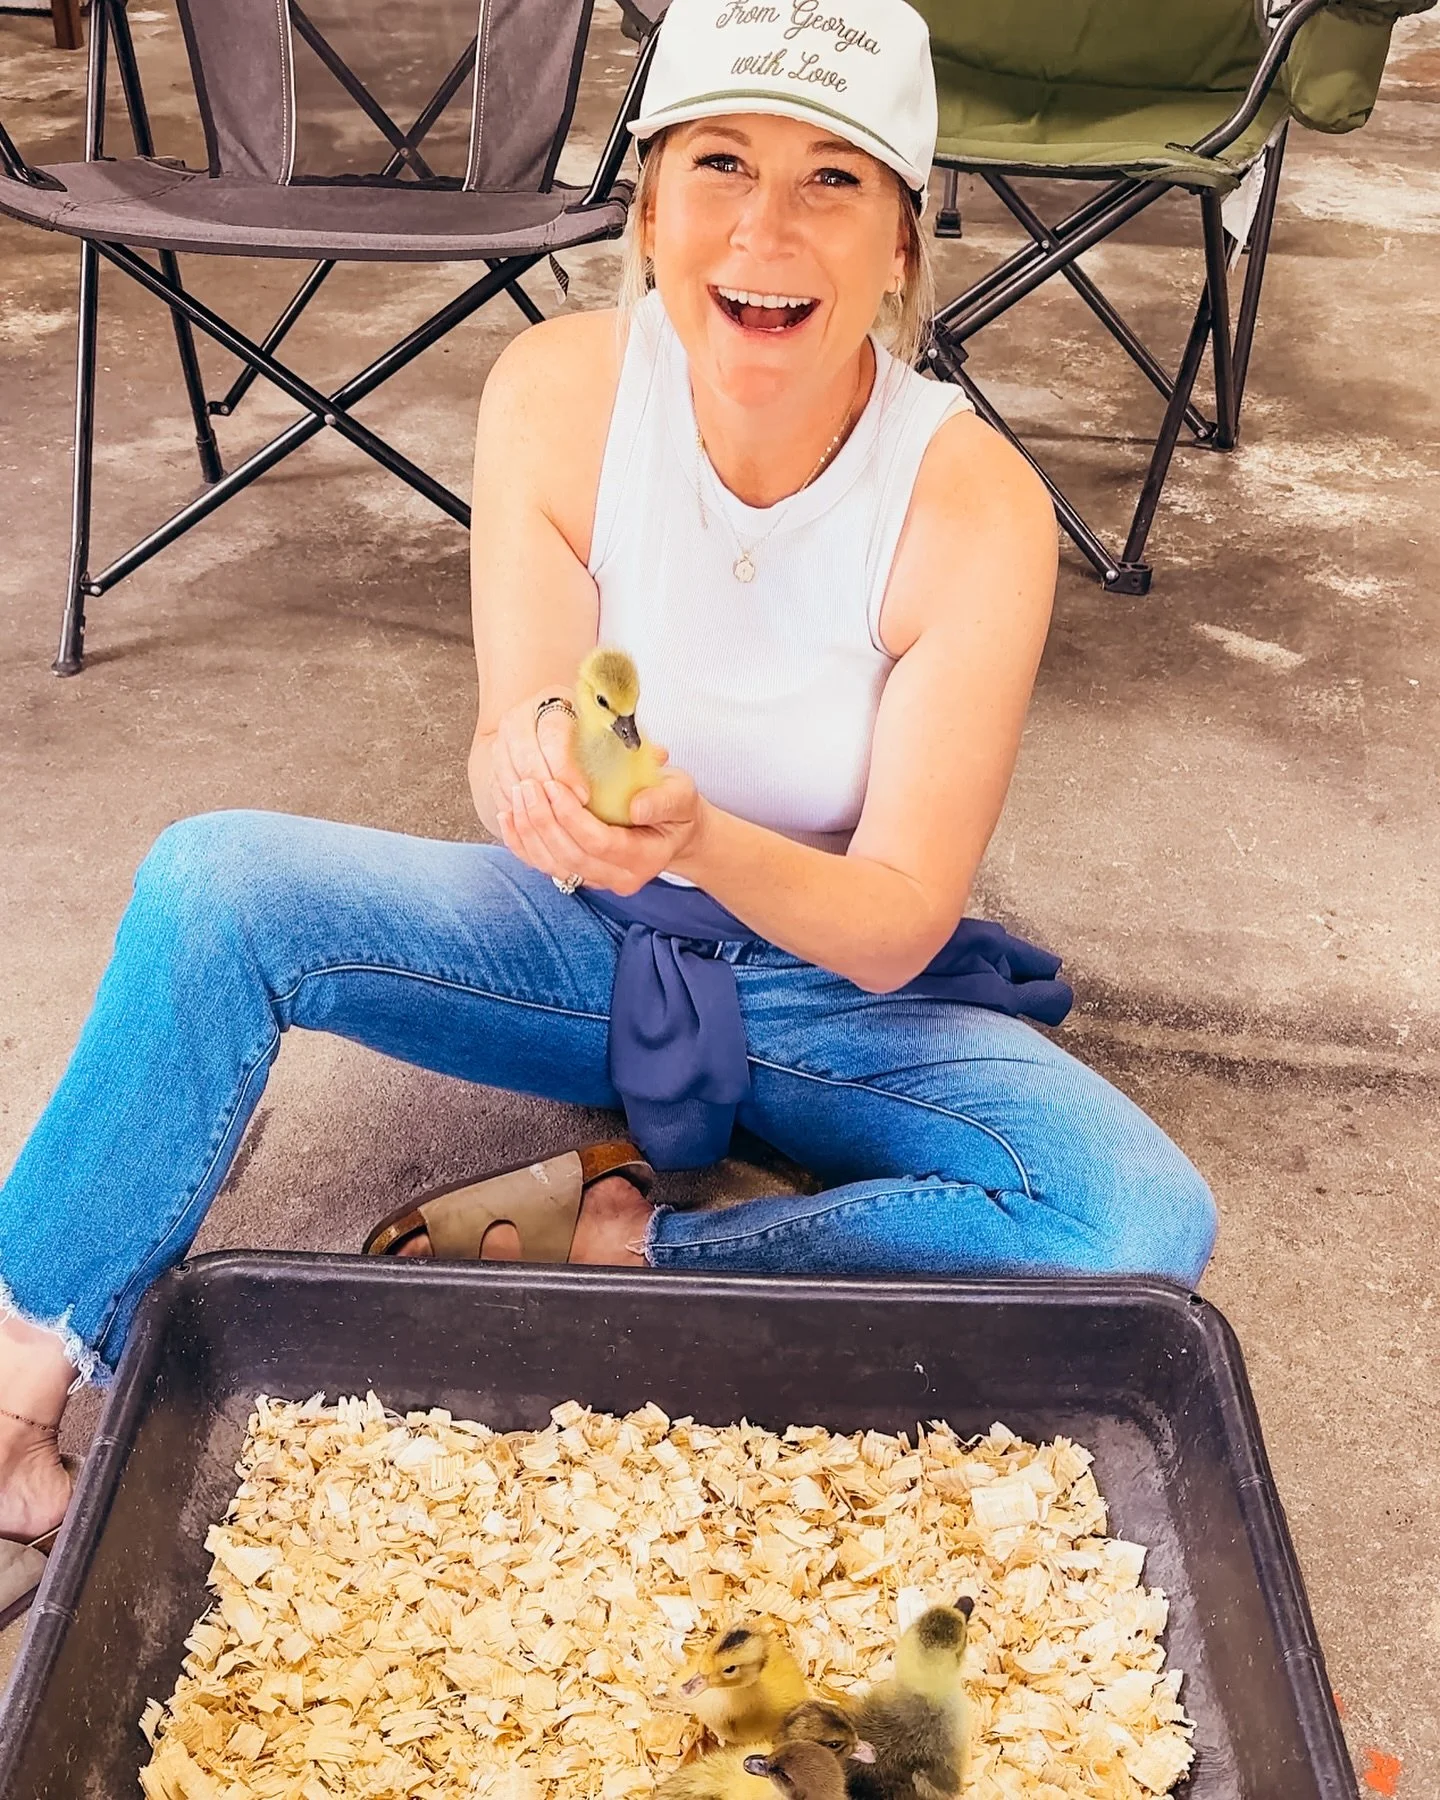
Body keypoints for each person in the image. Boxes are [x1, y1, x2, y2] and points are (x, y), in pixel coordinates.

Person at [0, 0, 1215, 1611]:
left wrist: (706, 840)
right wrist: (529, 768)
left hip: (817, 975)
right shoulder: (565, 387)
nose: (765, 231)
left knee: (1139, 1217)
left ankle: (640, 1249)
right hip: (571, 936)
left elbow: (903, 907)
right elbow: (528, 718)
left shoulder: (969, 499)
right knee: (214, 883)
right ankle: (16, 1396)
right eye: (719, 161)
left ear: (907, 244)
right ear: (645, 205)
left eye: (834, 181)